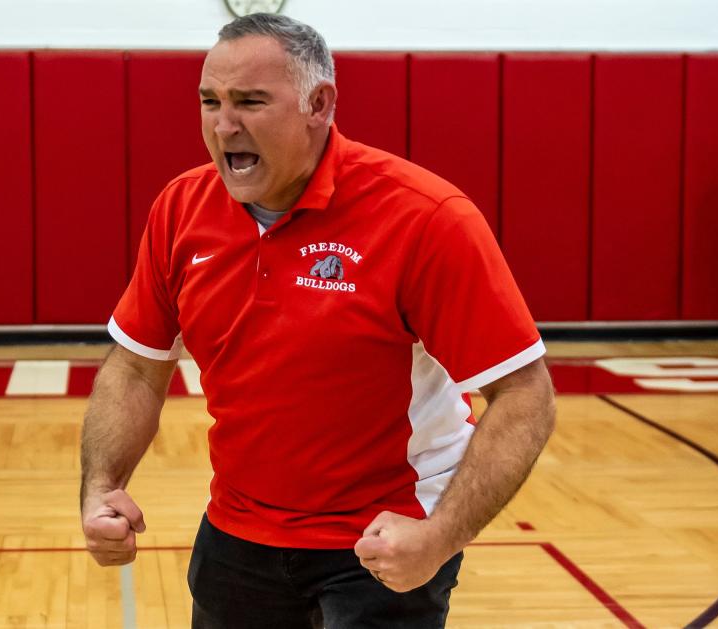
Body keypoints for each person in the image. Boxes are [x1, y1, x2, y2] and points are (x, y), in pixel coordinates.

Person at [79, 12, 556, 629]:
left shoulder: (425, 217)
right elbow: (136, 369)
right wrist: (101, 485)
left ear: (319, 103)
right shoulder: (181, 208)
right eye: (209, 101)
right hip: (238, 530)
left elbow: (525, 395)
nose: (224, 125)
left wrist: (438, 537)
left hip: (383, 542)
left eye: (250, 101)